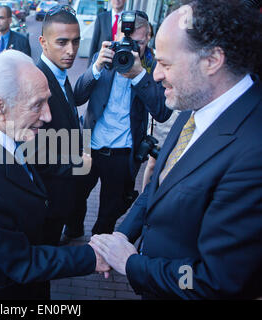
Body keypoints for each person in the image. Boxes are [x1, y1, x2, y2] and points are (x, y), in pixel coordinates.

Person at [91, 0, 262, 299]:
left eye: (166, 64)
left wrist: (130, 263)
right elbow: (157, 188)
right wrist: (122, 235)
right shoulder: (194, 101)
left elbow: (215, 280)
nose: (155, 74)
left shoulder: (254, 152)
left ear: (212, 60)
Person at [0, 49, 109, 300]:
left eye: (47, 101)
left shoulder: (5, 131)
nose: (48, 116)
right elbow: (22, 263)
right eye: (37, 105)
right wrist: (92, 257)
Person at [62, 13, 172, 241]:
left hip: (122, 153)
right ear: (117, 36)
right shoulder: (105, 57)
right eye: (127, 39)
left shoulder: (152, 65)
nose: (131, 47)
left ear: (148, 40)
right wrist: (96, 68)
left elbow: (162, 112)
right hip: (88, 147)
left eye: (139, 43)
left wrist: (139, 75)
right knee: (73, 197)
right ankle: (73, 230)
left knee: (109, 211)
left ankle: (98, 247)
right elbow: (77, 97)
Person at [34, 5, 91, 245]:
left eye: (76, 42)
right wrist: (78, 163)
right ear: (43, 42)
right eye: (62, 42)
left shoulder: (59, 73)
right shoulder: (37, 84)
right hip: (49, 199)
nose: (71, 51)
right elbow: (31, 153)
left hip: (63, 191)